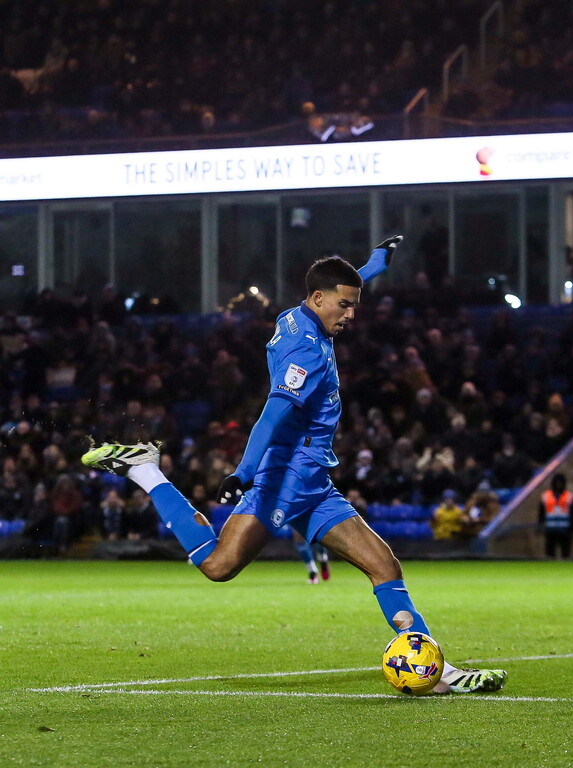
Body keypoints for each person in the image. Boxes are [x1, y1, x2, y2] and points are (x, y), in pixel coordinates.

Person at [82, 237, 506, 695]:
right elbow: (273, 412)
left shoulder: (302, 315)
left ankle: (437, 672)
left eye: (354, 304)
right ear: (320, 299)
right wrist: (245, 470)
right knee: (218, 565)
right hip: (284, 477)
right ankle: (147, 470)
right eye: (345, 306)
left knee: (384, 565)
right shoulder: (303, 350)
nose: (351, 314)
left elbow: (338, 286)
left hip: (313, 479)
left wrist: (374, 264)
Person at [538, 472, 573, 559]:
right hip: (550, 529)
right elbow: (541, 512)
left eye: (560, 482)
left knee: (565, 554)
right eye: (557, 482)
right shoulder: (545, 496)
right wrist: (541, 525)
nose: (559, 485)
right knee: (550, 555)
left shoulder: (569, 496)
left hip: (565, 530)